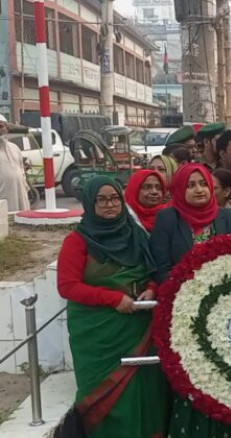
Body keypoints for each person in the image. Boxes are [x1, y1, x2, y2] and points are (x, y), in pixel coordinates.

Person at [57, 176, 169, 438]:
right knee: (106, 397)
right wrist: (114, 299)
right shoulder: (77, 241)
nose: (110, 205)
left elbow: (153, 269)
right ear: (89, 203)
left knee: (145, 390)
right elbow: (68, 287)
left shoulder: (136, 234)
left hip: (139, 325)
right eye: (101, 199)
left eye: (115, 198)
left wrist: (152, 287)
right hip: (98, 333)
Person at [149, 164, 231, 438]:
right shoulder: (168, 219)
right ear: (179, 190)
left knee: (227, 376)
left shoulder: (230, 218)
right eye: (190, 185)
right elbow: (160, 266)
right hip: (184, 315)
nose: (199, 189)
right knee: (193, 377)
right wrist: (191, 295)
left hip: (227, 314)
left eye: (203, 183)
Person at [0, 114, 30, 211]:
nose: (1, 130)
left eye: (1, 126)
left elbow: (21, 170)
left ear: (6, 129)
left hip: (20, 196)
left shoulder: (14, 148)